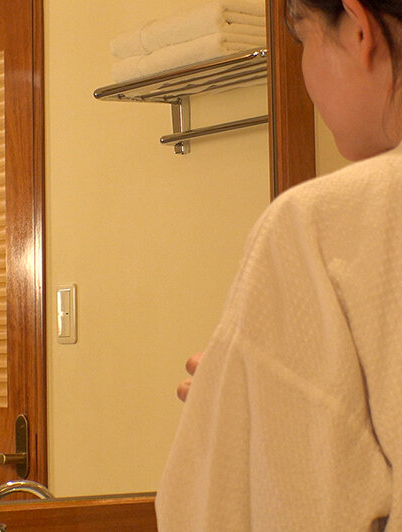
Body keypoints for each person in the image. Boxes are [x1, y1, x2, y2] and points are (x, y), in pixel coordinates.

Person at [157, 0, 402, 529]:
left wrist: (244, 415)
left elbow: (223, 509)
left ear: (360, 29)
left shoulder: (316, 227)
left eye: (303, 39)